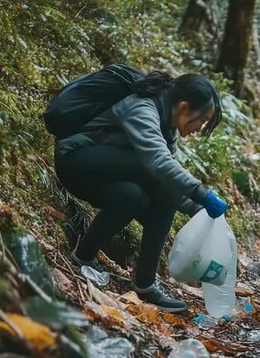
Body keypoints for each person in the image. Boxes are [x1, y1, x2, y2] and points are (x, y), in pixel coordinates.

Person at [54, 71, 227, 312]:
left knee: (133, 197)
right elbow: (158, 162)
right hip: (76, 160)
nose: (200, 127)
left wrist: (200, 211)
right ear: (184, 106)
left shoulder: (168, 127)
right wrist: (202, 194)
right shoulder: (142, 108)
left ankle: (89, 258)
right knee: (165, 185)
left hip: (109, 177)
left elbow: (171, 177)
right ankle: (145, 283)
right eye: (202, 119)